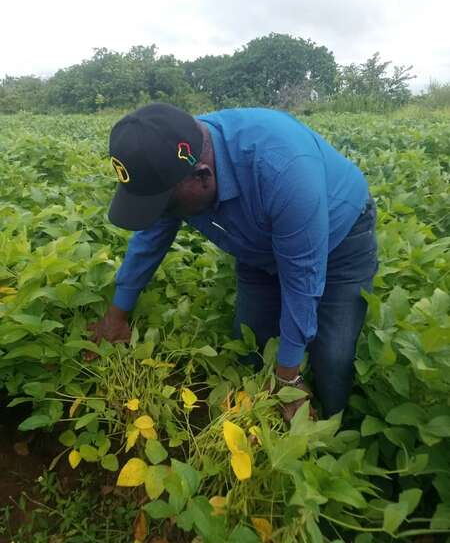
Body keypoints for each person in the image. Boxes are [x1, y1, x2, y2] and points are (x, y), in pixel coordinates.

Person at [87, 103, 378, 420]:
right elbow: (149, 240)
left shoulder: (283, 169)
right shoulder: (168, 159)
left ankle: (332, 436)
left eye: (165, 207)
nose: (162, 215)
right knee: (249, 344)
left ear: (203, 177)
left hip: (338, 238)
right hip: (257, 245)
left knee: (332, 357)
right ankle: (263, 418)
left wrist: (288, 380)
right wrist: (116, 316)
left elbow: (301, 280)